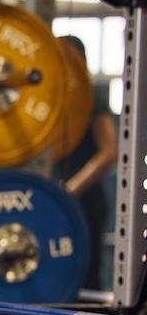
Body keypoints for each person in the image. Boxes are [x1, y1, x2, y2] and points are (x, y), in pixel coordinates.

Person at [54, 34, 117, 290]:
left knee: (84, 279)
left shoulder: (93, 99)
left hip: (85, 200)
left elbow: (110, 152)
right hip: (57, 199)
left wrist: (72, 188)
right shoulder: (53, 101)